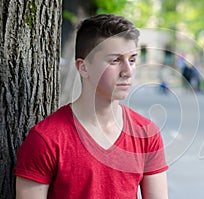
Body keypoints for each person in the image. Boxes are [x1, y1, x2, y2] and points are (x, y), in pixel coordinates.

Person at [14, 14, 168, 199]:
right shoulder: (46, 140)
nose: (128, 71)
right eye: (115, 60)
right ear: (83, 67)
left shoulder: (146, 134)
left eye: (132, 60)